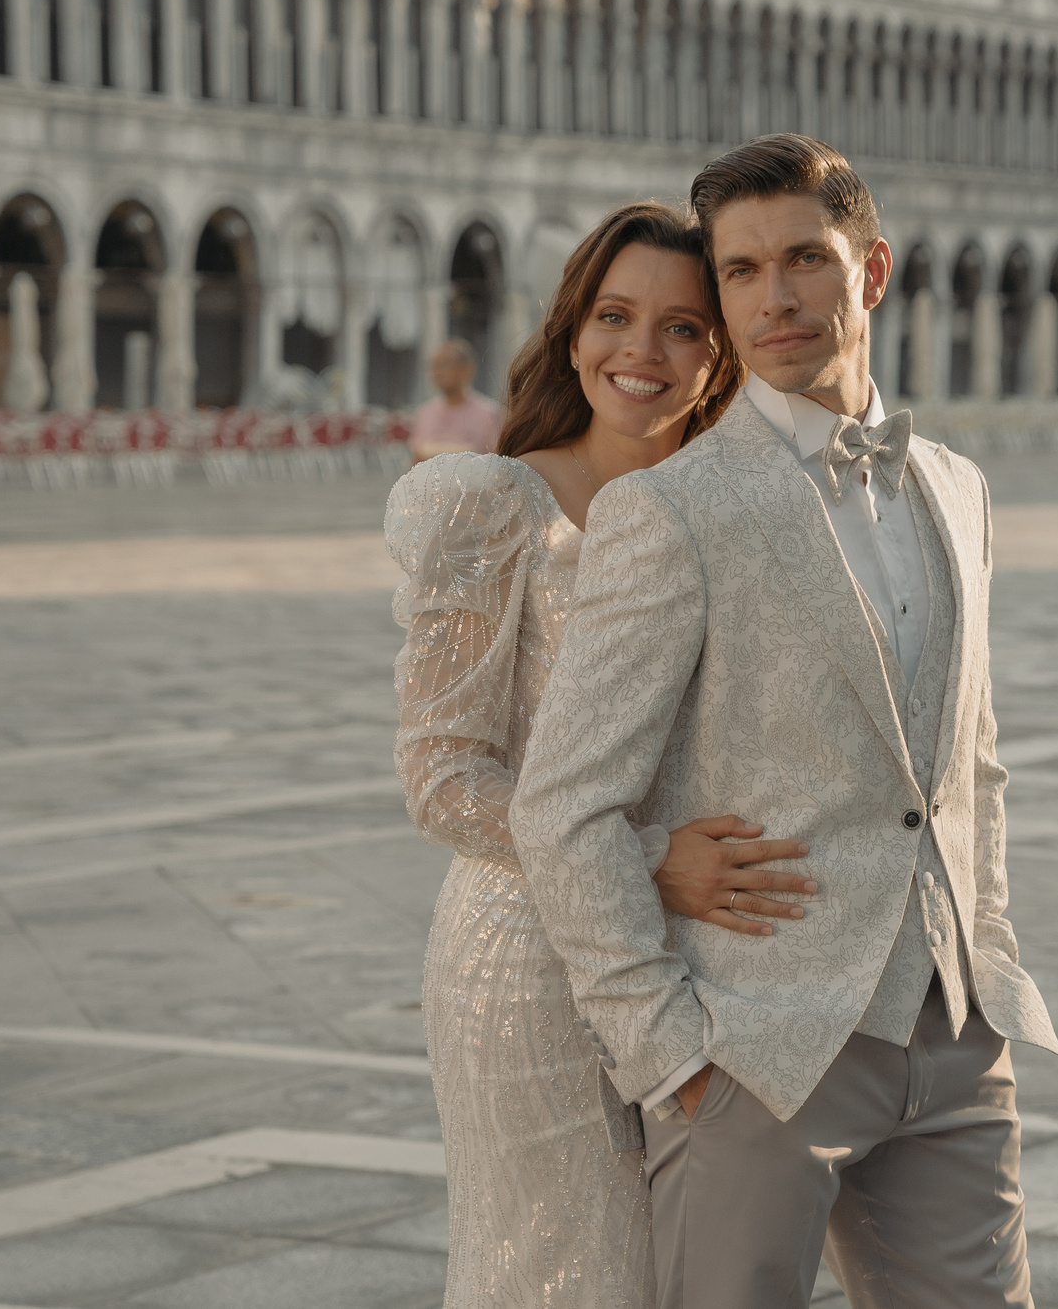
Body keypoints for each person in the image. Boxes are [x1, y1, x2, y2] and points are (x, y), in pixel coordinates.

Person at [516, 135, 1057, 1309]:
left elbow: (974, 763)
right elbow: (563, 806)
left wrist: (988, 954)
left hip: (954, 1036)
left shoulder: (954, 487)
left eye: (803, 259)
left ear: (870, 271)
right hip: (755, 1056)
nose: (775, 297)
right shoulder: (671, 511)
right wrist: (668, 1055)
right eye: (742, 271)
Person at [383, 202, 819, 1309]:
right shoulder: (497, 504)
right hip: (526, 950)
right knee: (570, 1269)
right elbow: (442, 774)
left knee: (688, 1266)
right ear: (571, 331)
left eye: (682, 328)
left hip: (704, 948)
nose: (642, 351)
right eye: (615, 316)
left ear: (719, 354)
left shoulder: (731, 507)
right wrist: (644, 855)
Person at [409, 338, 506, 462]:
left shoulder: (489, 414)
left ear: (467, 369)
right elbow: (416, 459)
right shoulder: (424, 413)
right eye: (434, 366)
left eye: (444, 365)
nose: (438, 372)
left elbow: (497, 462)